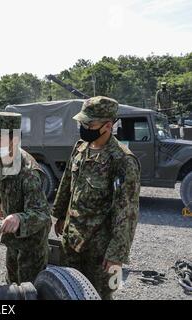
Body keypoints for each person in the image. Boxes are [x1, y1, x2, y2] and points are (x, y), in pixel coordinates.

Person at [52, 96, 141, 300]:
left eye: (89, 123)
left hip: (100, 251)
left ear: (107, 125)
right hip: (72, 240)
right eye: (82, 123)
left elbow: (127, 212)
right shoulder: (81, 147)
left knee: (100, 295)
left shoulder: (123, 160)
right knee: (70, 291)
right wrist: (60, 214)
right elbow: (67, 183)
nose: (83, 127)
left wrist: (116, 255)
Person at [0, 112, 52, 285]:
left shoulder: (29, 172)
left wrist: (18, 217)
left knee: (29, 287)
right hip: (13, 236)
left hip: (32, 241)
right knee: (12, 283)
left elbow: (42, 214)